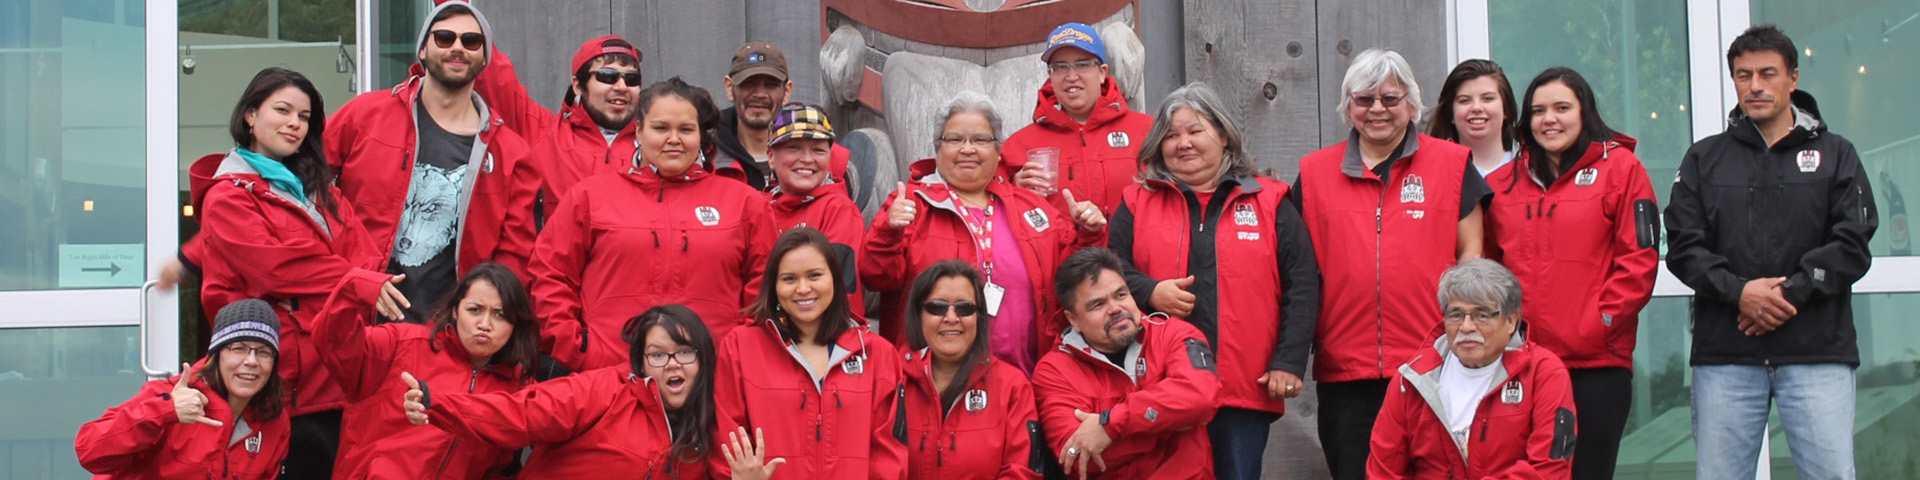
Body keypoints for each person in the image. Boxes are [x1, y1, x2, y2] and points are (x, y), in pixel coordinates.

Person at [1666, 25, 1877, 480]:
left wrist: (1789, 294)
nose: (1755, 86)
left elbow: (1853, 242)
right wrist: (1739, 293)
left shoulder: (1837, 154)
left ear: (1793, 78)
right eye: (1744, 75)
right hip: (1726, 357)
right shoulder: (1703, 159)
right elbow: (1684, 247)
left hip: (1817, 352)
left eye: (1767, 73)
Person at [1292, 48, 1491, 480]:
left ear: (1412, 105)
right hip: (1346, 370)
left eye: (1390, 98)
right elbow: (1297, 275)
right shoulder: (1313, 174)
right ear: (1348, 107)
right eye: (1364, 99)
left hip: (1435, 364)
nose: (1377, 109)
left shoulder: (1453, 164)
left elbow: (1472, 260)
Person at [1107, 82, 1319, 480]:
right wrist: (1150, 291)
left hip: (1242, 387)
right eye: (1171, 135)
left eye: (1194, 131)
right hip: (1158, 388)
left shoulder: (1270, 201)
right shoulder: (1138, 200)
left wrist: (1288, 362)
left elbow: (1303, 285)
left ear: (1223, 135)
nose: (1183, 143)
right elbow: (1111, 271)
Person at [187, 66, 389, 480]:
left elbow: (364, 256)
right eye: (283, 110)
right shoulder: (227, 195)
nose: (295, 124)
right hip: (280, 382)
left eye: (304, 117)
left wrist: (355, 282)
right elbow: (277, 267)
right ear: (250, 115)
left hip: (340, 370)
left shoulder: (321, 189)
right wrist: (353, 283)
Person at [530, 77, 774, 371]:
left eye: (686, 129)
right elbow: (550, 273)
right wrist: (579, 347)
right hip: (609, 376)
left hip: (711, 378)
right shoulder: (590, 197)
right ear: (639, 132)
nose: (674, 139)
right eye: (661, 128)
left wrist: (737, 351)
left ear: (700, 136)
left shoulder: (745, 203)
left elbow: (766, 286)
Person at [1484, 66, 1658, 480]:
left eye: (1562, 107)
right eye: (1539, 110)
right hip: (1520, 364)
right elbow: (1487, 271)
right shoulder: (1501, 184)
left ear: (1584, 112)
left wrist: (1600, 323)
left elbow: (1639, 259)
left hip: (1597, 364)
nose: (1550, 119)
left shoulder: (1621, 170)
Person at [323, 0, 537, 324]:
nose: (457, 48)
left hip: (446, 338)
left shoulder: (512, 154)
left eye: (471, 41)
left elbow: (512, 260)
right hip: (356, 321)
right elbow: (302, 181)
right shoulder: (364, 115)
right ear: (422, 50)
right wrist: (344, 271)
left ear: (484, 57)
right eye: (444, 37)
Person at [862, 91, 1106, 371]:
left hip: (1026, 383)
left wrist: (1089, 233)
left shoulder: (1031, 206)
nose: (968, 149)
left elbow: (1074, 278)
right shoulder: (910, 204)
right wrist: (888, 233)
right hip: (933, 387)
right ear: (937, 148)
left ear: (998, 150)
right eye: (955, 140)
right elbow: (876, 277)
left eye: (980, 140)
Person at [402, 305, 717, 479]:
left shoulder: (706, 432)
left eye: (685, 352)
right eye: (658, 355)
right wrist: (438, 403)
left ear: (703, 359)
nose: (673, 364)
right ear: (642, 363)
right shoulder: (606, 389)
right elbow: (520, 415)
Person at [311, 262, 539, 479]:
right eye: (475, 310)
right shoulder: (401, 344)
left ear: (515, 323)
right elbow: (332, 342)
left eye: (500, 315)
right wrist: (354, 286)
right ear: (456, 311)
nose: (485, 324)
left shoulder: (519, 388)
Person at [713, 227, 907, 480]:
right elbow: (727, 448)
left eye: (814, 275)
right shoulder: (740, 347)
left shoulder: (877, 354)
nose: (803, 289)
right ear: (774, 287)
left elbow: (889, 456)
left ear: (835, 280)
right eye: (789, 279)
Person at [1367, 259, 1577, 479]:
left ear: (1511, 321)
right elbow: (1383, 471)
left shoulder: (1544, 373)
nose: (1466, 327)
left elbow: (1550, 470)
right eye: (1456, 315)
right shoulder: (1411, 380)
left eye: (1482, 315)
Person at [1031, 247, 1223, 480]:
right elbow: (1079, 458)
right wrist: (1171, 422)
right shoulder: (1053, 371)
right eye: (1097, 305)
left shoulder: (1174, 333)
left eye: (1121, 295)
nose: (1115, 309)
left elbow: (1202, 397)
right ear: (1074, 319)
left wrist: (1110, 425)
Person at [76, 299, 290, 480]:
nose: (251, 361)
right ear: (216, 356)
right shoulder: (169, 396)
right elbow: (90, 451)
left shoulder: (274, 419)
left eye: (264, 352)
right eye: (239, 348)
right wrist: (164, 410)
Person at [474, 35, 644, 230]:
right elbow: (495, 78)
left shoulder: (656, 145)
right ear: (578, 85)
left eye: (632, 79)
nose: (622, 87)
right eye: (608, 76)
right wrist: (454, 9)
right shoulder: (544, 133)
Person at [900, 261, 1042, 479]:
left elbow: (1021, 472)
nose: (951, 318)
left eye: (964, 308)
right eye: (937, 307)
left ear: (979, 317)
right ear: (918, 315)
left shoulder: (1013, 386)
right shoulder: (890, 379)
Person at [1001, 22, 1154, 217]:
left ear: (1102, 72)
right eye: (1060, 67)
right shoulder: (1019, 145)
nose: (1071, 76)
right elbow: (991, 210)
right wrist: (1014, 190)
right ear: (1050, 75)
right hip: (1060, 248)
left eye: (1082, 65)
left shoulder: (1146, 131)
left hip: (1128, 248)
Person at [765, 103, 869, 320]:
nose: (807, 159)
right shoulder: (757, 206)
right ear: (771, 157)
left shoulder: (839, 210)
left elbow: (837, 289)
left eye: (818, 150)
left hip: (825, 338)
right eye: (793, 147)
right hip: (766, 334)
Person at [711, 41, 852, 193]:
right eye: (748, 84)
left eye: (771, 85)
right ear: (729, 87)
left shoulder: (832, 160)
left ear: (787, 91)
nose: (760, 94)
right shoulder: (706, 158)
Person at [1426, 59, 1518, 177]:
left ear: (1506, 109)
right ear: (1451, 113)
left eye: (1488, 98)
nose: (1476, 108)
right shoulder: (1432, 173)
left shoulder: (1532, 171)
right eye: (1465, 100)